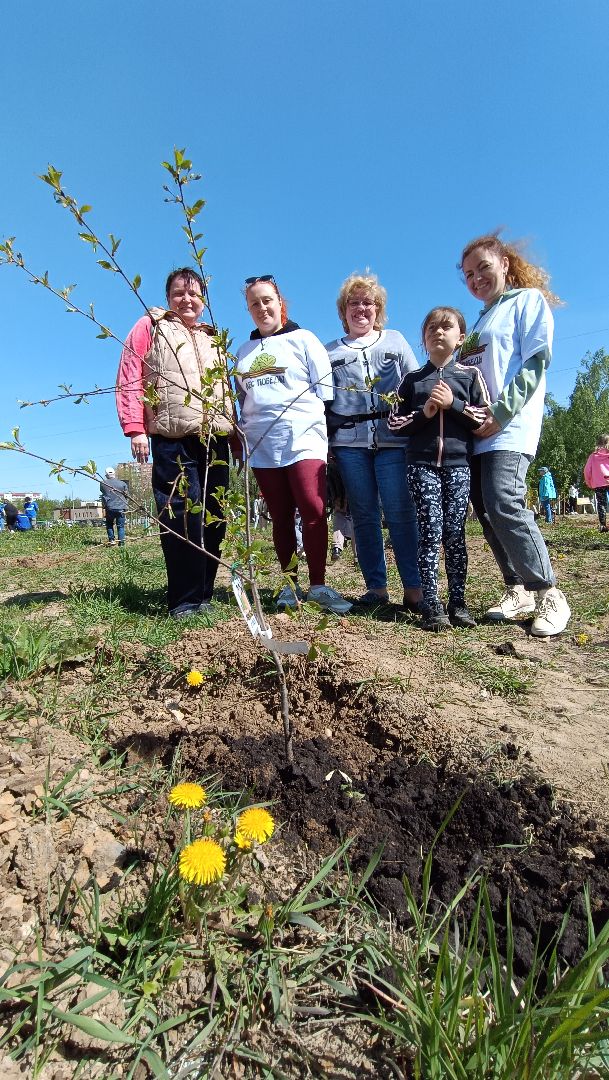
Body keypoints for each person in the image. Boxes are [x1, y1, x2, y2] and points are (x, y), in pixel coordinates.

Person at [458, 233, 570, 637]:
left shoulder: (527, 301)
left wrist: (502, 413)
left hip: (510, 424)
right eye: (468, 274)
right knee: (485, 508)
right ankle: (517, 588)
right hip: (477, 430)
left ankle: (550, 593)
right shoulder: (478, 321)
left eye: (483, 267)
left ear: (504, 263)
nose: (476, 278)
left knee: (504, 499)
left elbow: (536, 361)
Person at [116, 267, 234, 617]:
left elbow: (225, 388)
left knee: (215, 516)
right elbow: (130, 374)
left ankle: (205, 594)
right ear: (168, 298)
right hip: (172, 438)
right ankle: (184, 600)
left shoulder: (214, 336)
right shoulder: (151, 325)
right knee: (180, 516)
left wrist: (236, 432)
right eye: (179, 293)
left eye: (194, 293)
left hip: (215, 439)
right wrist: (135, 427)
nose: (187, 299)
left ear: (203, 299)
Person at [235, 275, 351, 615]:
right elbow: (243, 399)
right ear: (249, 310)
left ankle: (318, 585)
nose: (262, 308)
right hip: (262, 444)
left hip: (303, 438)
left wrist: (320, 434)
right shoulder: (244, 352)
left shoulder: (304, 339)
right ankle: (289, 586)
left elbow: (324, 393)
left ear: (280, 302)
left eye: (267, 300)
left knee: (313, 509)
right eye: (254, 303)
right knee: (280, 516)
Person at [389, 306, 490, 630]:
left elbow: (484, 417)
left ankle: (458, 603)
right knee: (431, 531)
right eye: (431, 327)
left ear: (460, 337)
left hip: (459, 465)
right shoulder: (413, 380)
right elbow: (394, 422)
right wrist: (427, 413)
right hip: (421, 465)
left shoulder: (470, 376)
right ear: (423, 339)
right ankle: (432, 604)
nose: (437, 331)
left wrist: (454, 405)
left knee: (455, 533)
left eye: (446, 326)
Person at [325, 272, 422, 609]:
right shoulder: (331, 351)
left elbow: (416, 383)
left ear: (378, 308)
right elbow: (322, 400)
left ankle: (415, 588)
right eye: (354, 303)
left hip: (393, 440)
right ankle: (376, 590)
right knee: (363, 515)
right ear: (343, 310)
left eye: (368, 302)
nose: (361, 308)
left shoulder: (394, 341)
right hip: (349, 445)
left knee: (400, 512)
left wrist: (411, 418)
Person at [584, 434, 609, 532]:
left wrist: (589, 482)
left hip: (599, 483)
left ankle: (602, 525)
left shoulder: (593, 456)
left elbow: (587, 470)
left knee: (601, 504)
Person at [100, 467, 129, 546]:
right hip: (121, 507)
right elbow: (127, 495)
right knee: (121, 526)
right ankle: (121, 543)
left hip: (110, 507)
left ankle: (112, 540)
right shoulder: (123, 484)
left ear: (106, 475)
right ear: (114, 474)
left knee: (109, 524)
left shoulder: (103, 483)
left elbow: (103, 492)